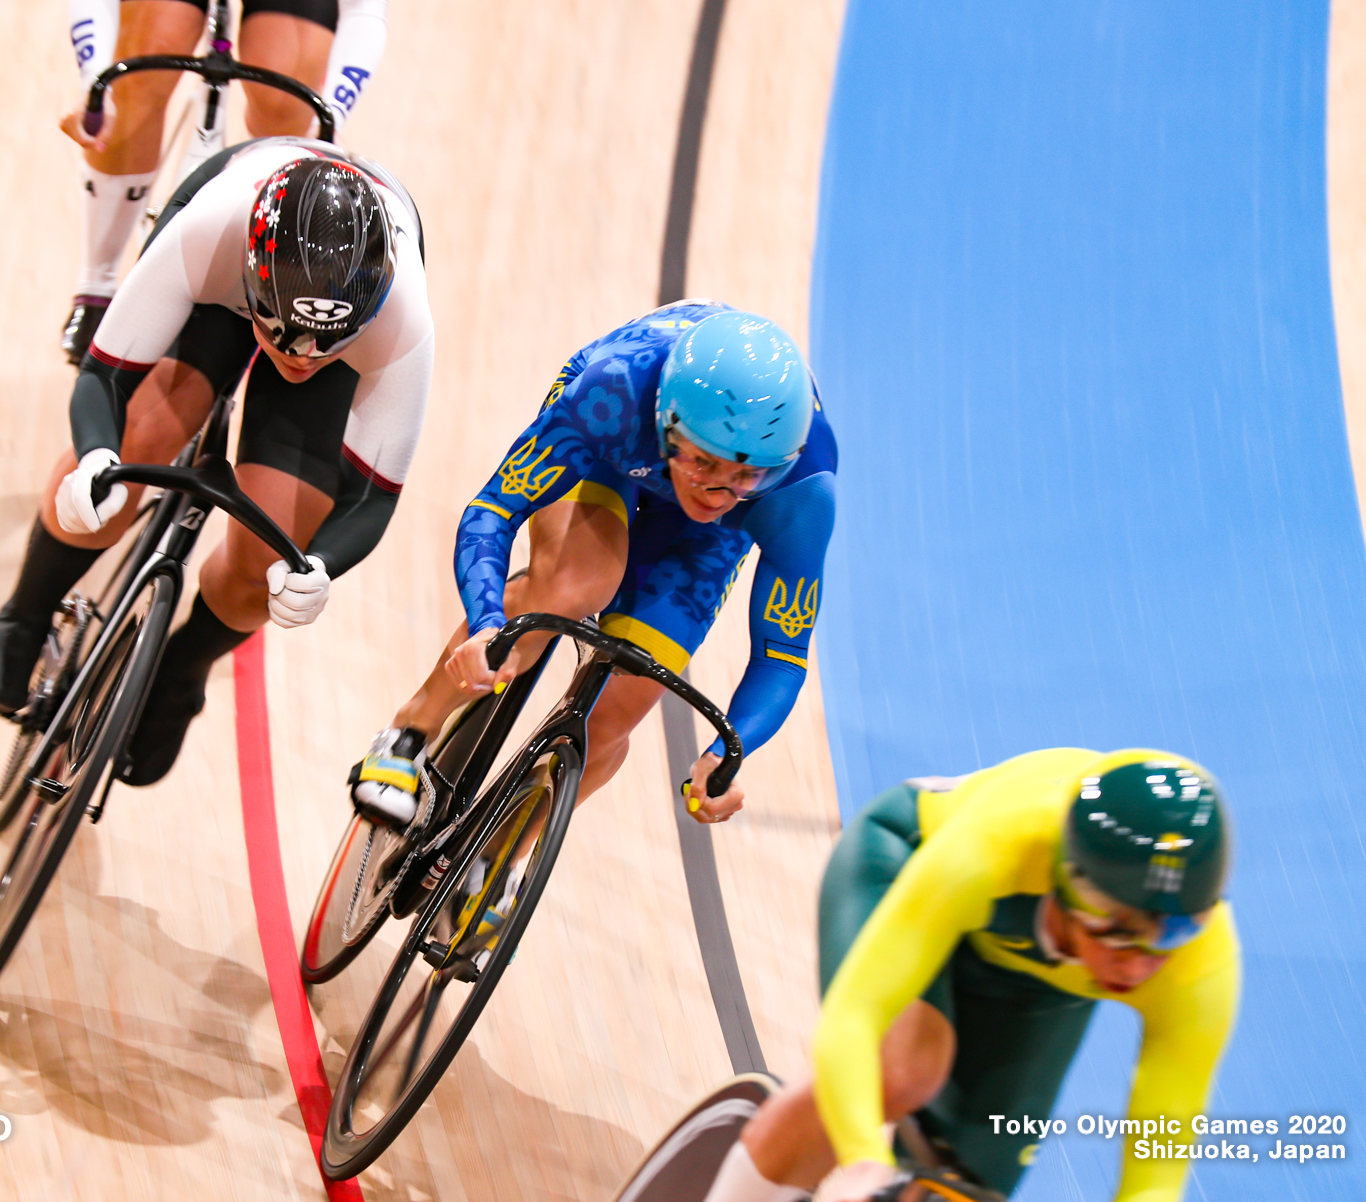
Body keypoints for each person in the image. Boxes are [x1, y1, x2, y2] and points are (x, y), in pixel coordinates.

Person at [0, 136, 432, 785]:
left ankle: (182, 668)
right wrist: (98, 457)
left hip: (306, 291)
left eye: (324, 349)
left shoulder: (402, 316)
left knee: (270, 558)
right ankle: (24, 613)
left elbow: (374, 495)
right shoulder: (210, 229)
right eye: (283, 338)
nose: (300, 358)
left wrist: (321, 566)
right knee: (140, 440)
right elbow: (103, 375)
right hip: (218, 288)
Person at [347, 300, 838, 831]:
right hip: (613, 456)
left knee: (617, 712)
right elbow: (494, 511)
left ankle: (506, 858)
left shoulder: (801, 494)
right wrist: (487, 623)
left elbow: (781, 657)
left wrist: (726, 752)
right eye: (703, 462)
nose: (719, 493)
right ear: (668, 421)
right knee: (577, 584)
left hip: (703, 539)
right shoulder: (614, 394)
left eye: (746, 478)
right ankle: (408, 732)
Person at [704, 748, 1239, 1202]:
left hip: (1035, 975)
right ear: (1073, 888)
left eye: (1169, 935)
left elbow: (1157, 1162)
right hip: (907, 861)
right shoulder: (994, 848)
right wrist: (864, 1162)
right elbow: (855, 1017)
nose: (1139, 965)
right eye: (1121, 933)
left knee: (965, 1186)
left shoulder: (1202, 963)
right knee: (902, 1071)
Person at [60, 0, 398, 363]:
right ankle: (96, 281)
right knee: (136, 74)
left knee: (286, 100)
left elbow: (366, 5)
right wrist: (95, 87)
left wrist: (330, 119)